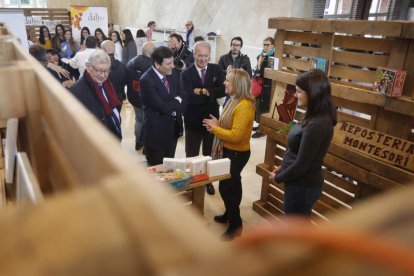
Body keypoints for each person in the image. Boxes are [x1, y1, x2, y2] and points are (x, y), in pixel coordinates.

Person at [269, 69, 337, 216]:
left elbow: (301, 165)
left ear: (313, 94)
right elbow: (300, 152)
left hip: (302, 186)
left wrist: (278, 178)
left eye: (299, 91)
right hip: (297, 182)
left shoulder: (317, 124)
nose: (295, 95)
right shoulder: (313, 116)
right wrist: (283, 167)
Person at [203, 68, 255, 240]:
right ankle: (229, 213)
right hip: (230, 151)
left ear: (238, 85)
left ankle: (236, 224)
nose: (224, 83)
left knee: (228, 188)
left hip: (237, 153)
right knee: (231, 185)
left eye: (228, 81)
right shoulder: (233, 100)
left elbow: (236, 136)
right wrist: (217, 123)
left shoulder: (244, 106)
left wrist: (215, 129)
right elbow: (229, 126)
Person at [181, 41, 226, 195]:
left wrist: (202, 91)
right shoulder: (185, 74)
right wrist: (210, 94)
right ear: (194, 55)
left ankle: (208, 182)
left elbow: (223, 90)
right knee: (191, 154)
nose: (202, 59)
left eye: (205, 56)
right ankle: (190, 182)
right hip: (192, 121)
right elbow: (188, 97)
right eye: (199, 55)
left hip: (211, 120)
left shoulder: (217, 69)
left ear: (210, 55)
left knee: (209, 154)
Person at [140, 46, 185, 166]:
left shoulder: (172, 73)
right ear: (157, 64)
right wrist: (177, 101)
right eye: (168, 63)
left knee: (169, 168)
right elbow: (162, 107)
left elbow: (182, 93)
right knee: (157, 172)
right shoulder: (146, 80)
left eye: (172, 62)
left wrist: (177, 101)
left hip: (173, 130)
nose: (172, 66)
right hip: (156, 135)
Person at [70, 49, 122, 140]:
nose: (103, 75)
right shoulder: (77, 91)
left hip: (112, 137)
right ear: (88, 67)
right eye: (99, 70)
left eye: (106, 71)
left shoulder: (107, 83)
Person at [126, 42, 155, 151]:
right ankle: (147, 147)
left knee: (139, 119)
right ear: (151, 52)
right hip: (148, 99)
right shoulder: (153, 66)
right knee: (149, 122)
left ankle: (138, 142)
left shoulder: (130, 62)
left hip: (134, 97)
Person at [252, 37, 275, 138]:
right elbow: (258, 68)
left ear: (273, 45)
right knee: (258, 105)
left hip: (267, 85)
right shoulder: (261, 55)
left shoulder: (273, 57)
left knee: (264, 107)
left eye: (268, 45)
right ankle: (260, 125)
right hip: (259, 84)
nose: (265, 47)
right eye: (264, 45)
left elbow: (270, 72)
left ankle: (263, 129)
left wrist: (259, 73)